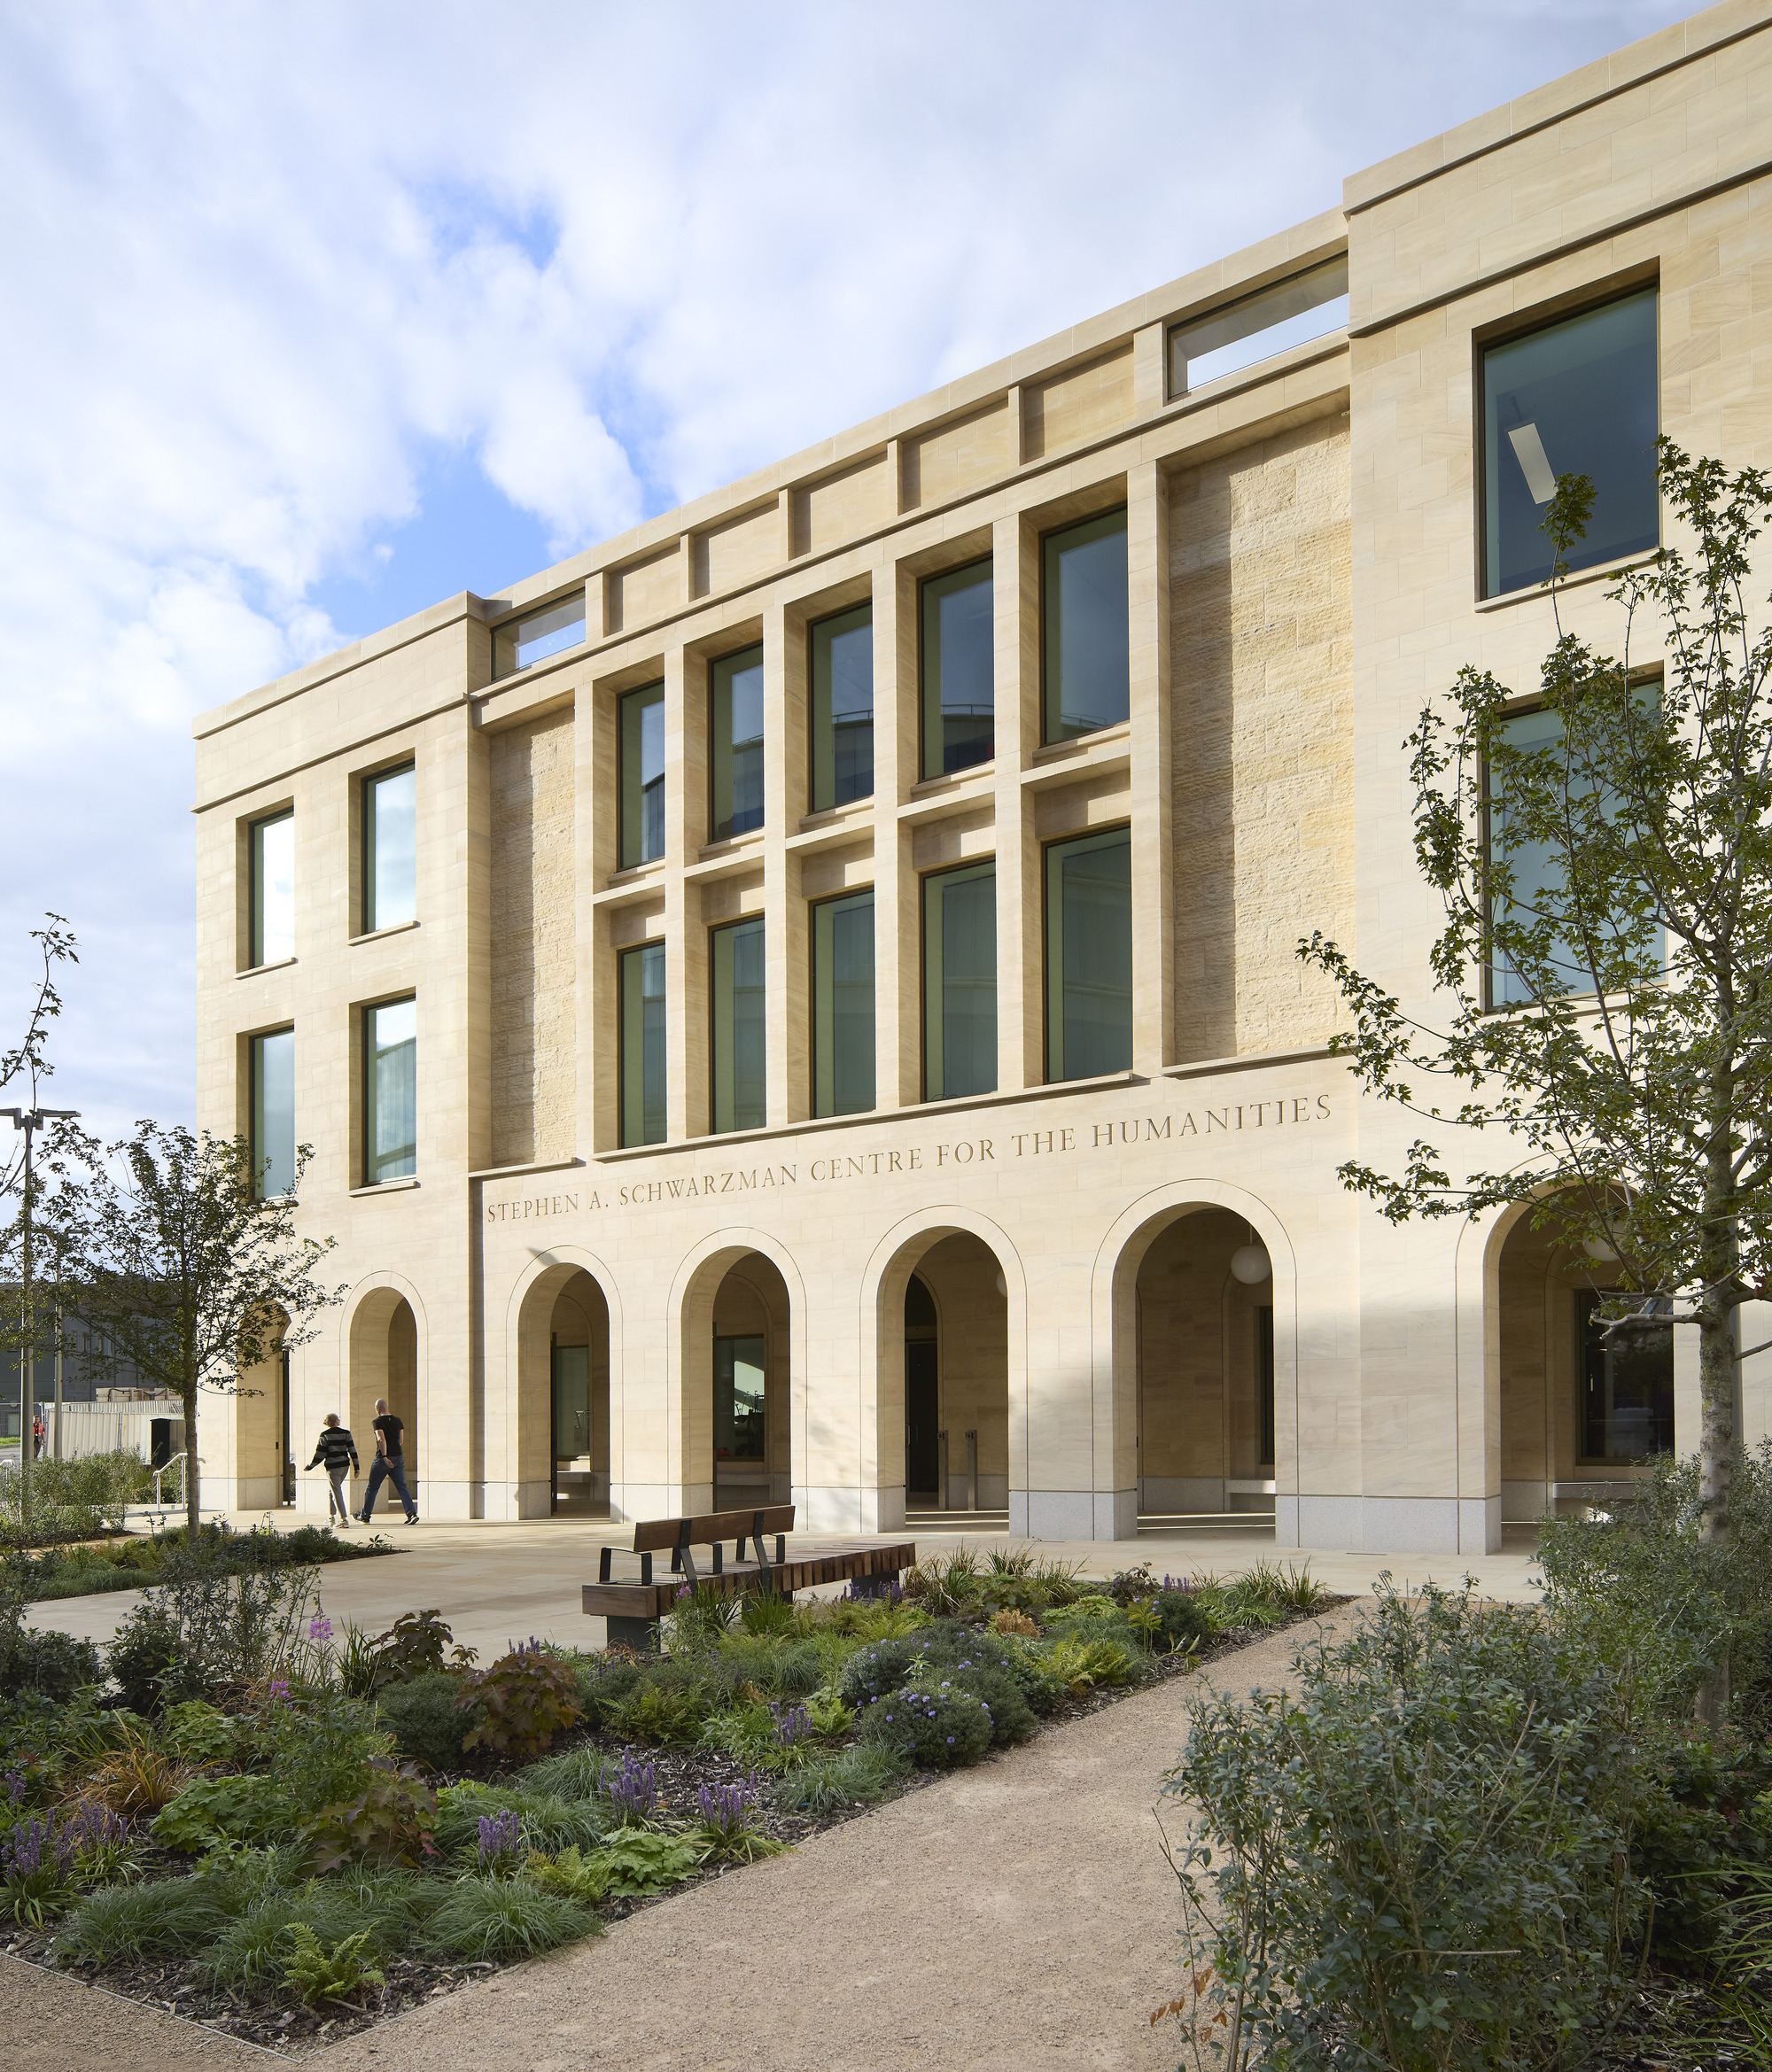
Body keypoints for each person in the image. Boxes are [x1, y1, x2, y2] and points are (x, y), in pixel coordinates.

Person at [359, 1397, 418, 1524]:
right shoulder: (398, 1420)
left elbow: (381, 1439)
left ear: (378, 1408)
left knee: (372, 1487)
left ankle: (365, 1516)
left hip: (383, 1458)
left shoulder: (377, 1422)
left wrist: (385, 1456)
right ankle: (411, 1514)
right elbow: (401, 1440)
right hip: (398, 1456)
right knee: (402, 1486)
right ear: (387, 1407)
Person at [307, 1413, 358, 1526]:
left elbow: (320, 1454)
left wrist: (310, 1466)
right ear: (336, 1421)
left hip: (332, 1467)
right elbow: (352, 1450)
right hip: (344, 1466)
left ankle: (343, 1519)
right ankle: (331, 1516)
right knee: (334, 1489)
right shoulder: (346, 1433)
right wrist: (356, 1467)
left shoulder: (324, 1435)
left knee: (336, 1491)